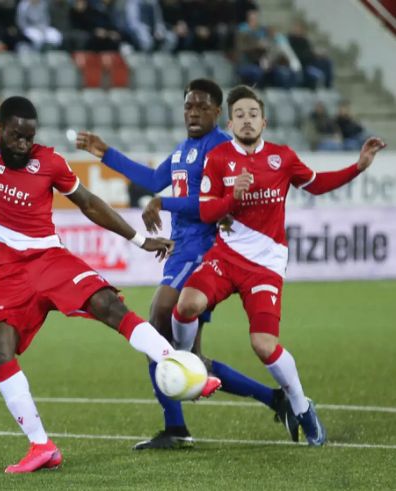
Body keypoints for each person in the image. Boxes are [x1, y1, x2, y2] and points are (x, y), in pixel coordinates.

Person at [0, 5, 219, 473]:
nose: (24, 145)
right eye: (16, 137)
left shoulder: (49, 163)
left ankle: (184, 368)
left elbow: (89, 202)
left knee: (109, 306)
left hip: (49, 259)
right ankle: (40, 445)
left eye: (30, 138)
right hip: (6, 274)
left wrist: (137, 239)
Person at [76, 79, 299, 450]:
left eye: (200, 107)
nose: (192, 113)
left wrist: (211, 211)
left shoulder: (222, 149)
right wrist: (105, 153)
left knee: (157, 324)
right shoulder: (184, 151)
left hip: (204, 250)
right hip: (181, 248)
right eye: (187, 107)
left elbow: (226, 198)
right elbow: (153, 179)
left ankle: (177, 426)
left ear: (217, 113)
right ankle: (273, 400)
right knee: (187, 356)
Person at [174, 85, 387, 446]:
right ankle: (184, 361)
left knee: (263, 344)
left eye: (252, 114)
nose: (246, 120)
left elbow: (317, 185)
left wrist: (358, 167)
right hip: (225, 257)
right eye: (239, 114)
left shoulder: (282, 157)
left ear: (264, 121)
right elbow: (206, 210)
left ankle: (302, 407)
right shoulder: (219, 158)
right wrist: (232, 197)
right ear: (230, 121)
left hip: (265, 265)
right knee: (185, 306)